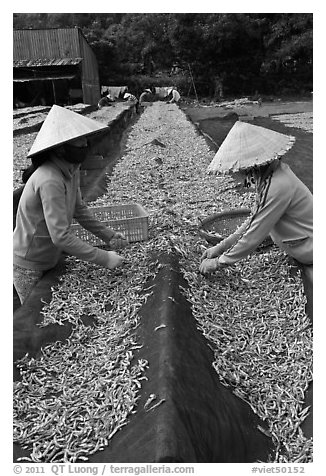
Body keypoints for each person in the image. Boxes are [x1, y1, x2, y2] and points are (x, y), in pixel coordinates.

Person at [13, 105, 127, 305]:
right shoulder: (49, 179)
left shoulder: (71, 170)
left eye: (85, 140)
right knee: (35, 315)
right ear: (61, 148)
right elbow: (60, 236)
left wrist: (108, 235)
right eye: (79, 141)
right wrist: (104, 258)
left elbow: (78, 210)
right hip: (29, 264)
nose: (85, 145)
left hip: (50, 257)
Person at [199, 121, 313, 303]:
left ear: (251, 166)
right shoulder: (271, 177)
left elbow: (255, 233)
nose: (240, 175)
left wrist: (219, 263)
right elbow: (253, 220)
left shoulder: (278, 185)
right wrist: (220, 247)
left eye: (241, 170)